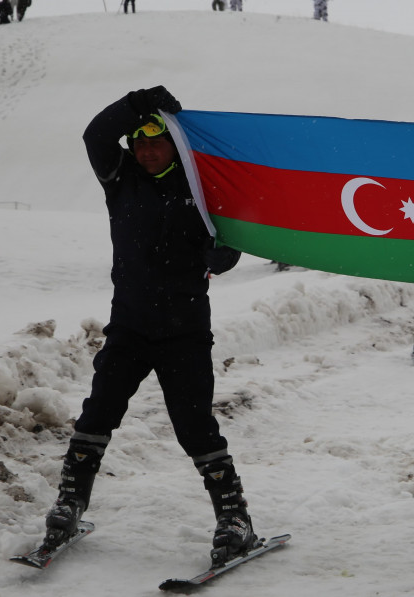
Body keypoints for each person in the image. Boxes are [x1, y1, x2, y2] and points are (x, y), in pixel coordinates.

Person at [41, 86, 257, 568]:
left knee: (195, 428)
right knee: (96, 418)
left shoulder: (201, 188)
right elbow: (96, 134)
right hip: (130, 329)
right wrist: (137, 103)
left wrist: (224, 254)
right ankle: (70, 505)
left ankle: (235, 519)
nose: (145, 150)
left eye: (155, 142)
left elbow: (229, 243)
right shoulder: (120, 179)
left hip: (184, 332)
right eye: (138, 143)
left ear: (172, 146)